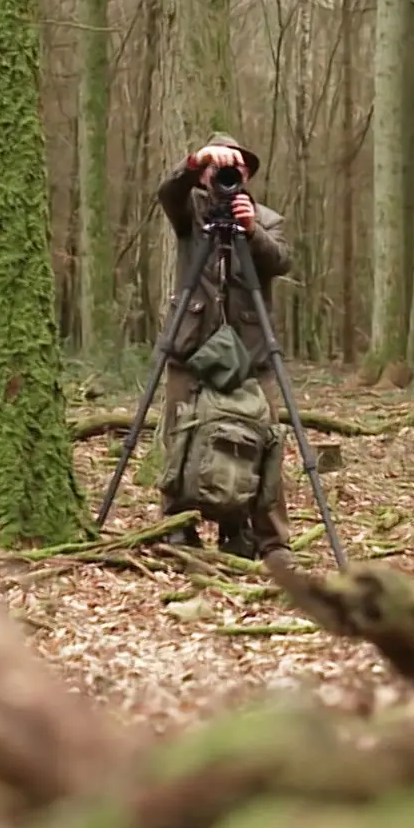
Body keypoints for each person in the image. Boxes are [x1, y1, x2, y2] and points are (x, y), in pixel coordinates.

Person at [154, 133, 296, 570]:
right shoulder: (191, 212)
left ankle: (265, 538)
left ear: (247, 175)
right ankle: (177, 526)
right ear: (205, 175)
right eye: (219, 169)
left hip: (249, 349)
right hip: (192, 342)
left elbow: (281, 260)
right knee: (179, 434)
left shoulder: (266, 219)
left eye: (236, 169)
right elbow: (168, 194)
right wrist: (193, 162)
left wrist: (250, 230)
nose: (228, 176)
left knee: (264, 437)